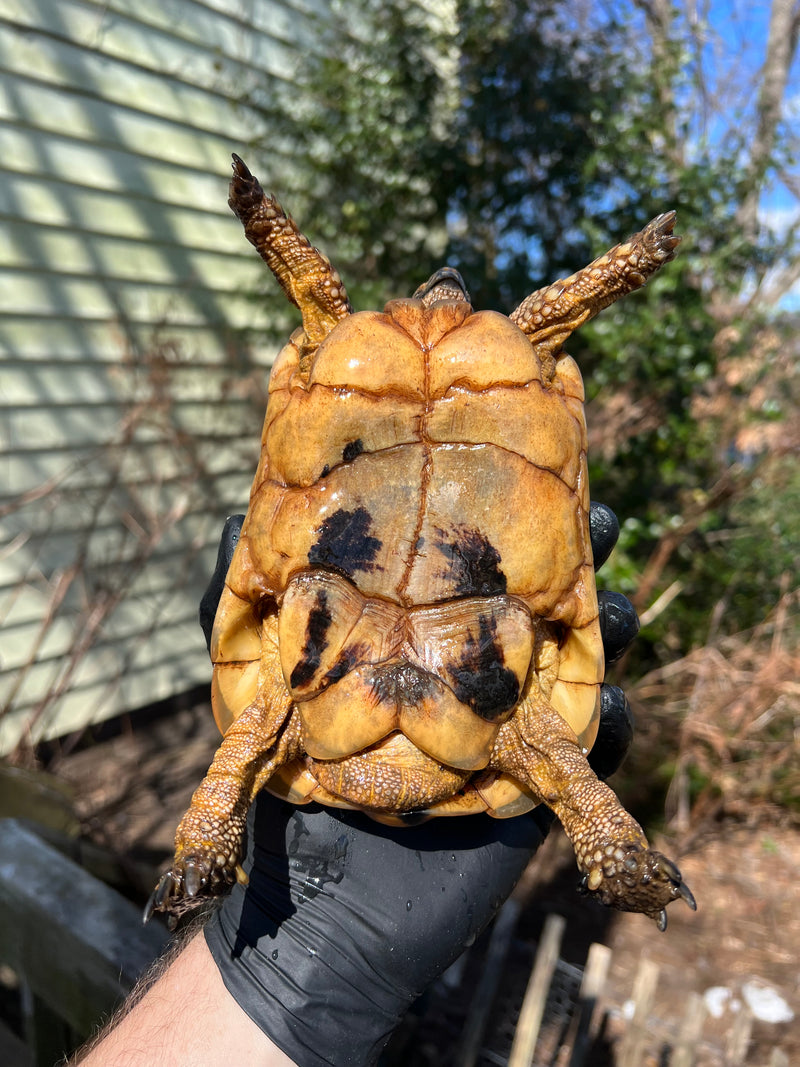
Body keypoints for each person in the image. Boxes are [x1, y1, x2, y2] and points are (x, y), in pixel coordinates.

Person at [74, 504, 639, 1067]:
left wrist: (206, 848)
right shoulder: (517, 734)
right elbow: (575, 780)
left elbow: (233, 767)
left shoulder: (284, 710)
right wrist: (615, 845)